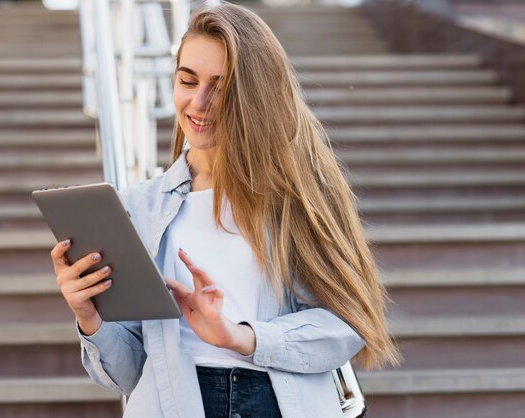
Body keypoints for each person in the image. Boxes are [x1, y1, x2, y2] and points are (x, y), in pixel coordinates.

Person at [50, 2, 400, 417]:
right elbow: (126, 375)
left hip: (277, 402)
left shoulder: (297, 197)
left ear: (255, 94)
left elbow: (348, 325)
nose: (199, 103)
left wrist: (241, 337)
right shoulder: (136, 208)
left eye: (220, 86)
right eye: (187, 79)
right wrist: (89, 316)